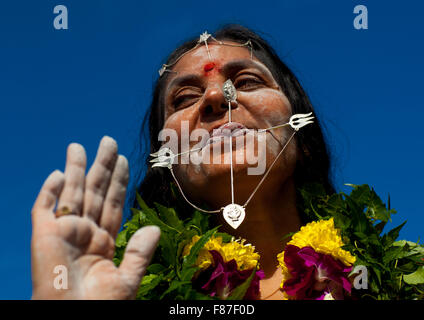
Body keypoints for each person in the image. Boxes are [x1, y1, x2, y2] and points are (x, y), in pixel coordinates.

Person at [31, 25, 333, 300]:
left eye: (248, 81)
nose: (215, 96)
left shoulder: (371, 276)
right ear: (167, 168)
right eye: (186, 98)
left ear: (303, 137)